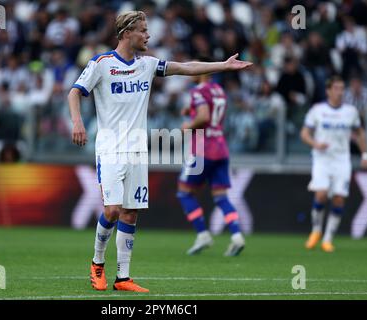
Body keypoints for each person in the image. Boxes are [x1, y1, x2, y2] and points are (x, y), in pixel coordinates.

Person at [67, 11, 252, 293]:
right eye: (142, 30)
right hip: (111, 147)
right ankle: (97, 263)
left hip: (138, 150)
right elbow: (74, 92)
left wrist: (224, 66)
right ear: (127, 33)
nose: (148, 35)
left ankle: (123, 278)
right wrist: (78, 122)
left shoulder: (148, 64)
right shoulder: (101, 64)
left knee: (131, 213)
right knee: (113, 210)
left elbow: (186, 67)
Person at [177, 58, 245, 257]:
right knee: (221, 197)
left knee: (184, 192)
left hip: (202, 148)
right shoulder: (219, 91)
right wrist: (189, 111)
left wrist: (187, 126)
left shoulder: (198, 91)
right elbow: (210, 113)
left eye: (196, 65)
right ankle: (237, 236)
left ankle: (203, 234)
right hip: (221, 148)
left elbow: (204, 116)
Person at [300, 76, 367, 252]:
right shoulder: (318, 110)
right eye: (337, 88)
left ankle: (328, 238)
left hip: (341, 160)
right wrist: (315, 144)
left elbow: (360, 133)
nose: (340, 92)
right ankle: (316, 231)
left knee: (339, 198)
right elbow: (304, 133)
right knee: (321, 195)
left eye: (342, 88)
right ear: (328, 90)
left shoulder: (350, 111)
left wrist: (365, 154)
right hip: (322, 158)